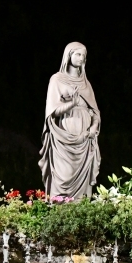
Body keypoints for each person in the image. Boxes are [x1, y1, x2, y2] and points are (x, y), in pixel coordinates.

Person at [39, 42, 101, 199]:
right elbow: (53, 111)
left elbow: (95, 112)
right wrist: (72, 103)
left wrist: (94, 127)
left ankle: (81, 215)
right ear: (69, 55)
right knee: (63, 176)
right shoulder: (57, 80)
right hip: (65, 136)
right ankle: (59, 215)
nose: (81, 58)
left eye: (84, 56)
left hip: (85, 138)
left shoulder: (86, 83)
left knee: (83, 189)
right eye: (78, 54)